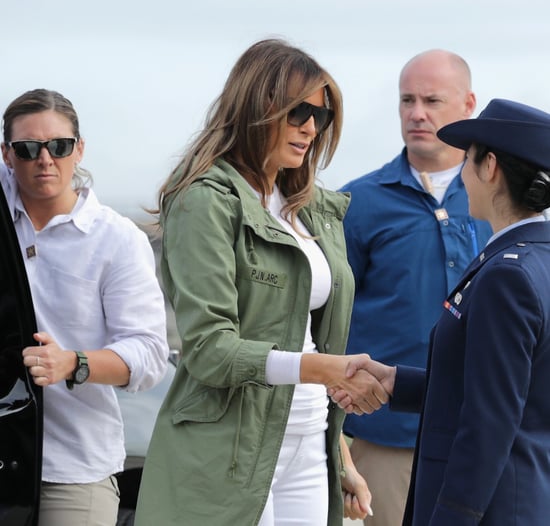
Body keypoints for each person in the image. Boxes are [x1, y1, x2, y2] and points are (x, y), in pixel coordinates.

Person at [134, 38, 387, 526]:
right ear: (258, 107)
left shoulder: (311, 208)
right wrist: (323, 369)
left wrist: (341, 456)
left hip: (310, 442)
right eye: (299, 112)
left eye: (323, 115)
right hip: (227, 449)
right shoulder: (203, 200)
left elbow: (308, 338)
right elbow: (209, 349)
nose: (311, 128)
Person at [333, 98, 550, 525]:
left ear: (489, 167)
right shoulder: (534, 259)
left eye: (467, 160)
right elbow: (503, 389)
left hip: (495, 506)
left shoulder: (507, 276)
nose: (463, 175)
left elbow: (488, 423)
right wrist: (397, 382)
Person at [0, 88, 169, 526]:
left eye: (58, 146)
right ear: (6, 154)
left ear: (79, 149)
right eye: (27, 148)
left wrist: (71, 363)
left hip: (74, 464)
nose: (44, 159)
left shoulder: (116, 239)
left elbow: (149, 355)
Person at [339, 49, 492, 525]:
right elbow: (327, 318)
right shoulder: (356, 202)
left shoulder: (499, 193)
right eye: (407, 100)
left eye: (431, 100)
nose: (417, 113)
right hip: (386, 437)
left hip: (487, 433)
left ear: (468, 104)